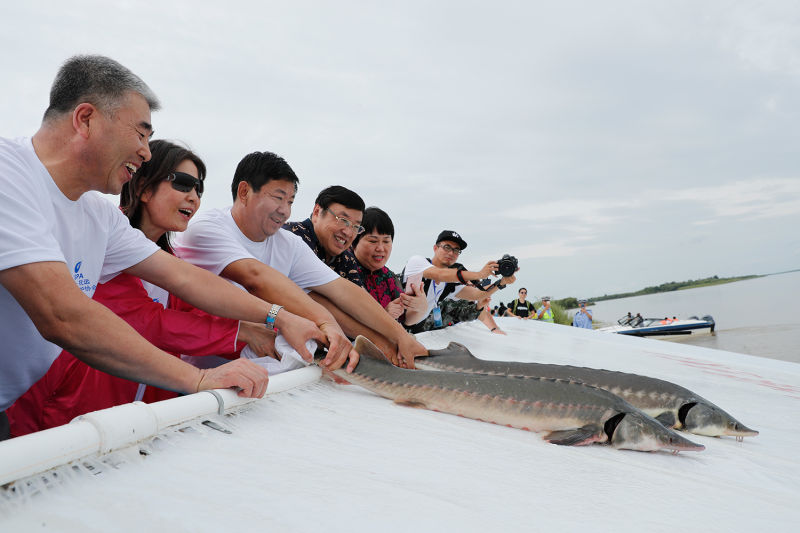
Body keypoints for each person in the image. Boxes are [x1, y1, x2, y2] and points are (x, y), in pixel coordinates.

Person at [0, 56, 302, 439]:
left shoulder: (98, 215)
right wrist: (199, 378)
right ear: (86, 119)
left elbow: (183, 277)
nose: (145, 152)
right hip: (43, 414)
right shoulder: (8, 173)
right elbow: (63, 315)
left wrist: (278, 317)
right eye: (140, 134)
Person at [173, 151, 427, 368]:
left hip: (267, 375)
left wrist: (398, 337)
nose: (284, 209)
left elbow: (343, 291)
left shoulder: (288, 243)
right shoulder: (207, 228)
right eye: (278, 197)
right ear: (244, 191)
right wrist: (327, 322)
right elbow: (257, 279)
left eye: (291, 201)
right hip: (200, 380)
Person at [401, 230, 516, 333]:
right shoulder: (417, 262)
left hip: (416, 331)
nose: (451, 253)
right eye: (447, 247)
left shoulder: (448, 284)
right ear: (435, 248)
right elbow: (440, 274)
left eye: (456, 250)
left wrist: (502, 282)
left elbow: (477, 295)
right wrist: (479, 274)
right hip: (397, 326)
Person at [352, 207, 428, 325]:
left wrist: (420, 307)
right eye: (373, 241)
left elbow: (406, 320)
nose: (380, 248)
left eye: (386, 241)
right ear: (354, 241)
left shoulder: (389, 277)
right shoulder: (345, 271)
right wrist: (384, 316)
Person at [284, 185, 365, 286]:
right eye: (343, 220)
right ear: (317, 212)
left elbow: (356, 296)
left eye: (356, 227)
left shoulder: (347, 258)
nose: (348, 233)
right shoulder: (290, 237)